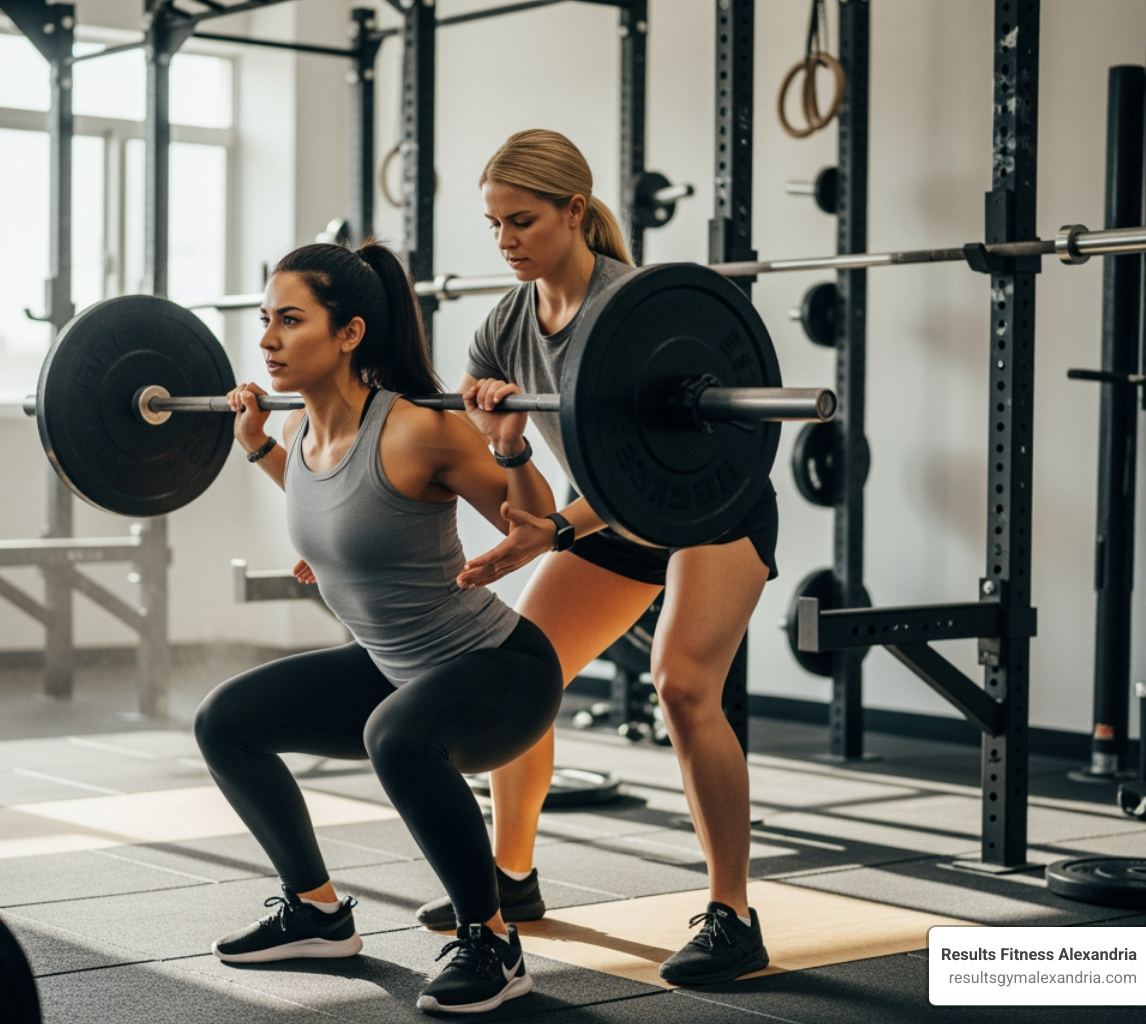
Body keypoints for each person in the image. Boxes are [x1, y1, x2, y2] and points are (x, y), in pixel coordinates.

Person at [413, 129, 780, 986]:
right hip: (605, 515)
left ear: (575, 211)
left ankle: (733, 914)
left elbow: (634, 483)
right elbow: (535, 513)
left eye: (524, 220)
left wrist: (557, 529)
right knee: (518, 678)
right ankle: (513, 879)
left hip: (709, 507)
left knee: (683, 684)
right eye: (495, 224)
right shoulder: (503, 328)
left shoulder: (639, 307)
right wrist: (506, 450)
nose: (505, 241)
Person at [193, 239, 565, 1016]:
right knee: (225, 721)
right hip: (395, 667)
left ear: (350, 333)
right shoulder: (301, 435)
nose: (265, 339)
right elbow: (331, 499)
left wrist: (509, 444)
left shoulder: (418, 429)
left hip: (500, 670)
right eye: (265, 320)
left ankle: (493, 942)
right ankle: (318, 912)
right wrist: (257, 444)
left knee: (394, 735)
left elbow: (531, 523)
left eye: (289, 321)